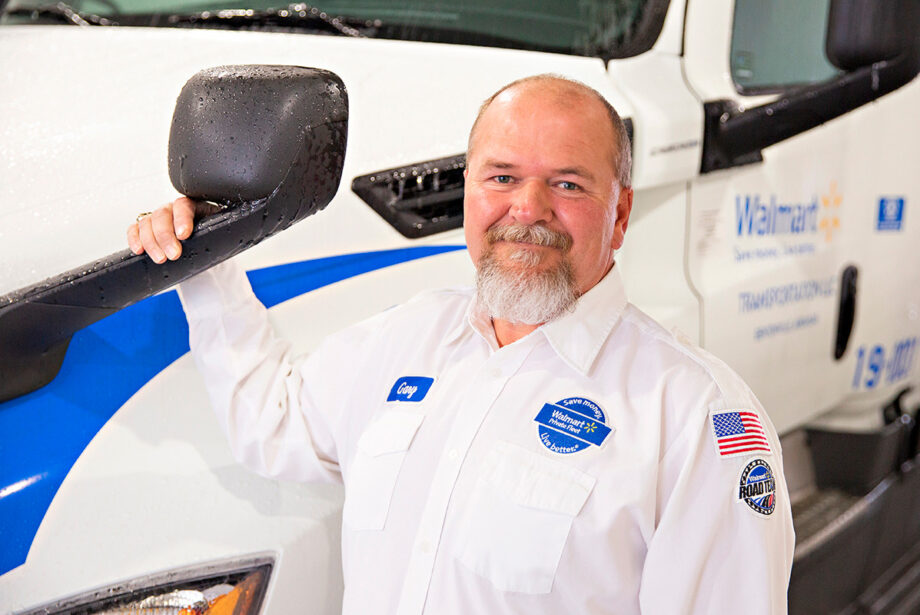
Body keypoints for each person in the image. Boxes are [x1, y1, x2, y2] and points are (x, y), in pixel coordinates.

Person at [128, 74, 795, 614]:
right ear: (470, 193)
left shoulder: (695, 415)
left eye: (567, 183)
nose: (527, 208)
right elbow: (271, 423)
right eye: (502, 177)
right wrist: (206, 258)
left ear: (619, 214)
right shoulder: (409, 338)